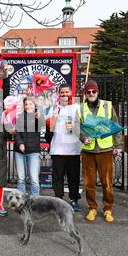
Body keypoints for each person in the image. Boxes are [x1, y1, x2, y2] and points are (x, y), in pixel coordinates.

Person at [78, 79, 123, 223]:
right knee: (88, 183)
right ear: (85, 93)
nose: (91, 93)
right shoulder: (81, 108)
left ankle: (108, 209)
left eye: (93, 91)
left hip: (105, 149)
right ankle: (92, 208)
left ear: (98, 92)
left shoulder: (107, 106)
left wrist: (118, 145)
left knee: (107, 182)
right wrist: (83, 138)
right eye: (88, 92)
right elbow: (75, 127)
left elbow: (116, 125)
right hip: (88, 151)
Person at [47, 84, 82, 212]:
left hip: (73, 150)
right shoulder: (54, 108)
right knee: (58, 177)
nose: (64, 94)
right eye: (62, 92)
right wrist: (54, 118)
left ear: (71, 93)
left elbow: (83, 126)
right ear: (59, 94)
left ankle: (74, 200)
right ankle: (58, 200)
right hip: (58, 149)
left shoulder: (77, 107)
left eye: (67, 92)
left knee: (73, 177)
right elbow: (49, 129)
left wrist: (74, 127)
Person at [14, 96, 45, 196]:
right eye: (26, 104)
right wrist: (20, 144)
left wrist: (39, 117)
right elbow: (17, 133)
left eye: (30, 104)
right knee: (21, 178)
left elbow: (42, 126)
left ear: (34, 105)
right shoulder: (19, 117)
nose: (28, 106)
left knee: (34, 179)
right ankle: (21, 201)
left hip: (33, 152)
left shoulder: (38, 116)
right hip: (19, 152)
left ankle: (35, 202)